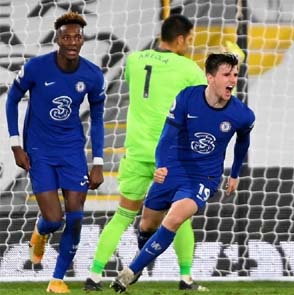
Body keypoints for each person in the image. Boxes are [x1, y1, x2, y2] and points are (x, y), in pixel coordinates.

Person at [109, 52, 255, 293]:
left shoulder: (242, 114)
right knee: (146, 225)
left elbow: (242, 143)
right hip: (174, 168)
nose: (232, 80)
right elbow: (167, 137)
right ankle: (142, 263)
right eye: (226, 74)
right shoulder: (187, 98)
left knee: (175, 218)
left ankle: (129, 272)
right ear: (210, 77)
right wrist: (161, 165)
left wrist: (235, 173)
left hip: (204, 177)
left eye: (235, 75)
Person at [84, 14, 209, 292]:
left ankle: (93, 276)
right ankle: (186, 278)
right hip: (172, 155)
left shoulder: (135, 61)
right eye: (189, 39)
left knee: (123, 215)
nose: (189, 44)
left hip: (138, 151)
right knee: (179, 214)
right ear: (180, 39)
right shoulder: (188, 69)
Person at [5, 11, 105, 294]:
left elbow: (97, 119)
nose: (73, 41)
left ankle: (57, 279)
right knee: (53, 219)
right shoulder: (36, 68)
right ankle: (40, 232)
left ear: (82, 39)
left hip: (72, 150)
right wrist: (15, 144)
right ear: (58, 39)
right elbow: (12, 100)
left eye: (78, 36)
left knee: (75, 217)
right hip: (39, 150)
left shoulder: (92, 75)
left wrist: (97, 161)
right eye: (67, 37)